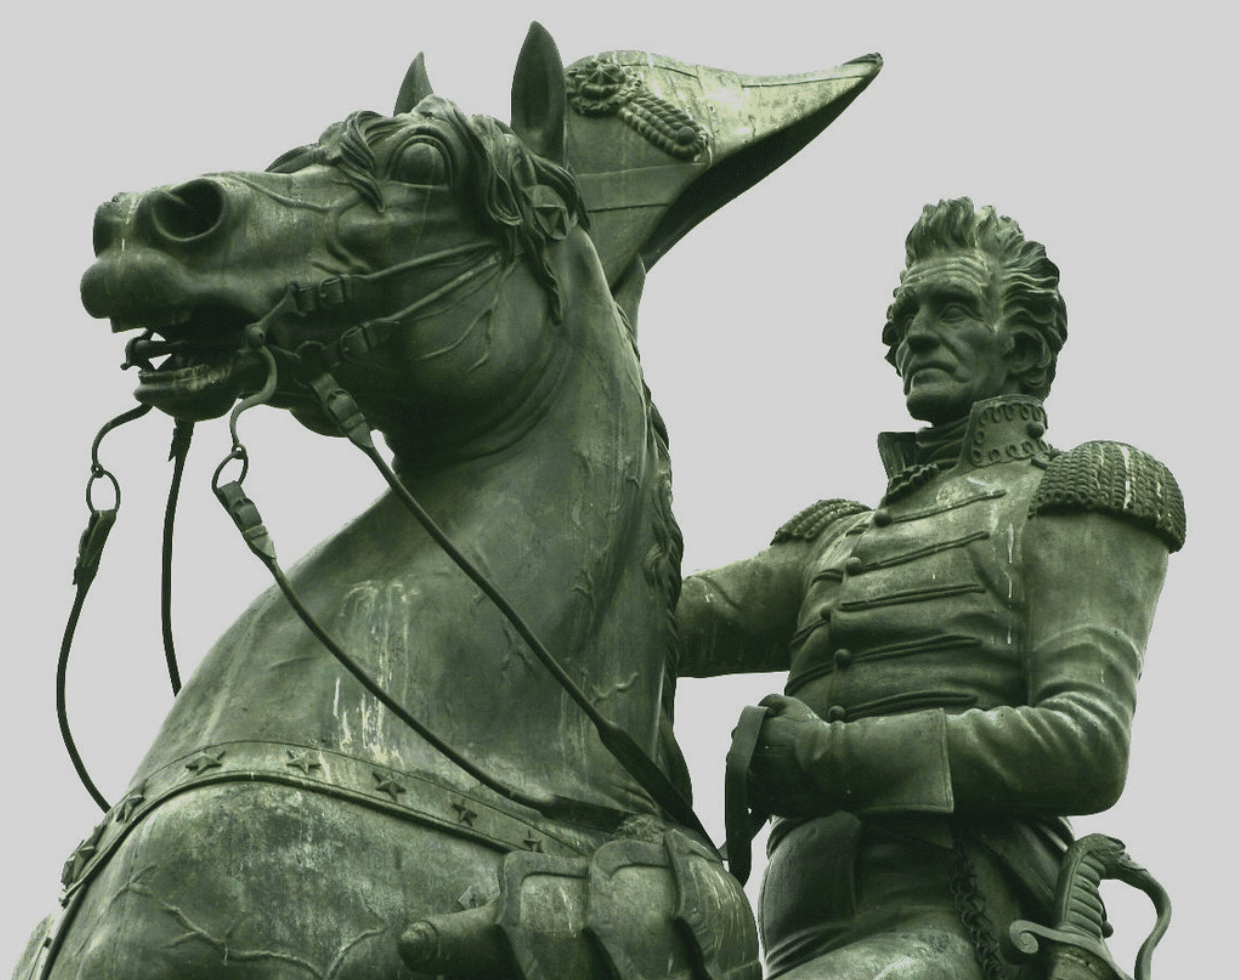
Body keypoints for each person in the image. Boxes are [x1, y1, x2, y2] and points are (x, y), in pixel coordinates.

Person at [676, 198, 1185, 979]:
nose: (913, 334)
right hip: (784, 938)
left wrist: (831, 756)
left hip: (967, 922)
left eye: (950, 307)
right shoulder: (838, 537)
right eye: (904, 315)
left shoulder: (1072, 495)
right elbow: (647, 618)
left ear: (1019, 340)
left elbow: (1088, 742)